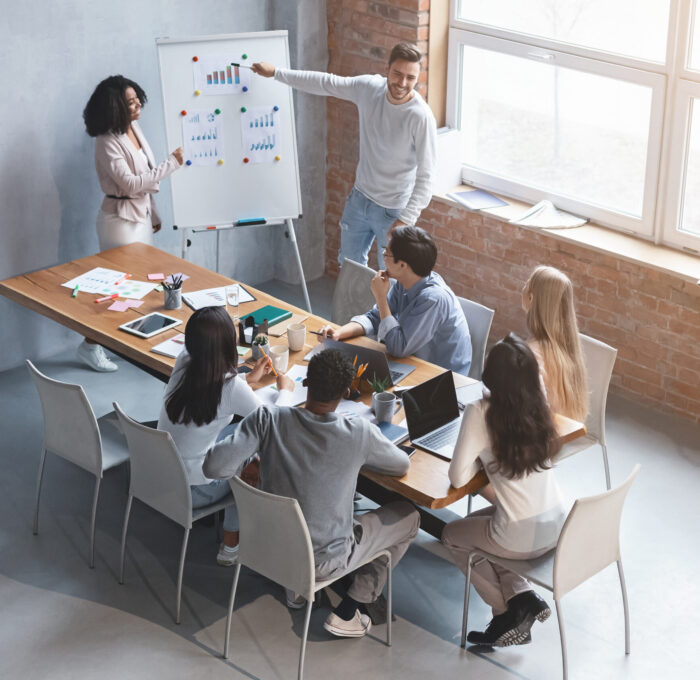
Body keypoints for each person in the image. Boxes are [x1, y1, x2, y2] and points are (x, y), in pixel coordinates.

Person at [203, 349, 419, 638]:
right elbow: (401, 464)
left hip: (268, 547)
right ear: (345, 392)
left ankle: (295, 588)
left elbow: (215, 467)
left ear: (305, 383)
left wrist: (253, 460)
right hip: (322, 562)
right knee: (409, 515)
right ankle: (351, 608)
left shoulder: (267, 419)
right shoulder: (357, 432)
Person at [252, 42, 437, 268]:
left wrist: (406, 219)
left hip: (394, 210)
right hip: (359, 199)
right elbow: (326, 82)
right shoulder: (369, 88)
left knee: (390, 279)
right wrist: (276, 73)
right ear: (387, 69)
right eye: (397, 74)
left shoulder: (420, 117)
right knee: (349, 271)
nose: (402, 83)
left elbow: (427, 177)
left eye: (410, 78)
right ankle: (351, 306)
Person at [441, 334, 566, 647]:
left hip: (518, 537)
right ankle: (523, 597)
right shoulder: (539, 406)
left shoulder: (481, 411)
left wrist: (478, 460)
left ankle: (504, 613)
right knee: (492, 528)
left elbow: (457, 478)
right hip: (556, 526)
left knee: (453, 535)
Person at [157, 307, 294, 566]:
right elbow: (272, 421)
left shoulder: (184, 360)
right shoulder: (230, 386)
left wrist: (248, 379)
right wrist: (285, 391)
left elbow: (212, 391)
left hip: (163, 475)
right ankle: (231, 545)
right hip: (196, 490)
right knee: (254, 454)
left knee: (236, 437)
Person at [79, 75, 184, 372]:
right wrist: (172, 163)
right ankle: (89, 345)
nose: (138, 105)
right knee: (116, 290)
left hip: (138, 217)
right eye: (131, 102)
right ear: (114, 108)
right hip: (120, 223)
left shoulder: (133, 127)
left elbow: (145, 177)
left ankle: (131, 342)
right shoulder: (106, 143)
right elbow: (130, 184)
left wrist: (154, 213)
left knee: (141, 286)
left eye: (138, 98)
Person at [318, 225, 472, 375]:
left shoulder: (433, 299)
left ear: (403, 265)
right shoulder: (404, 282)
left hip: (441, 378)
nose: (383, 257)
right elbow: (375, 317)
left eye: (387, 254)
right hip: (411, 361)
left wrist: (381, 297)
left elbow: (398, 347)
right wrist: (338, 333)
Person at [522, 265, 588, 422]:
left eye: (527, 283)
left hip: (543, 438)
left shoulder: (531, 353)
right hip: (569, 430)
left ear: (531, 298)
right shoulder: (568, 347)